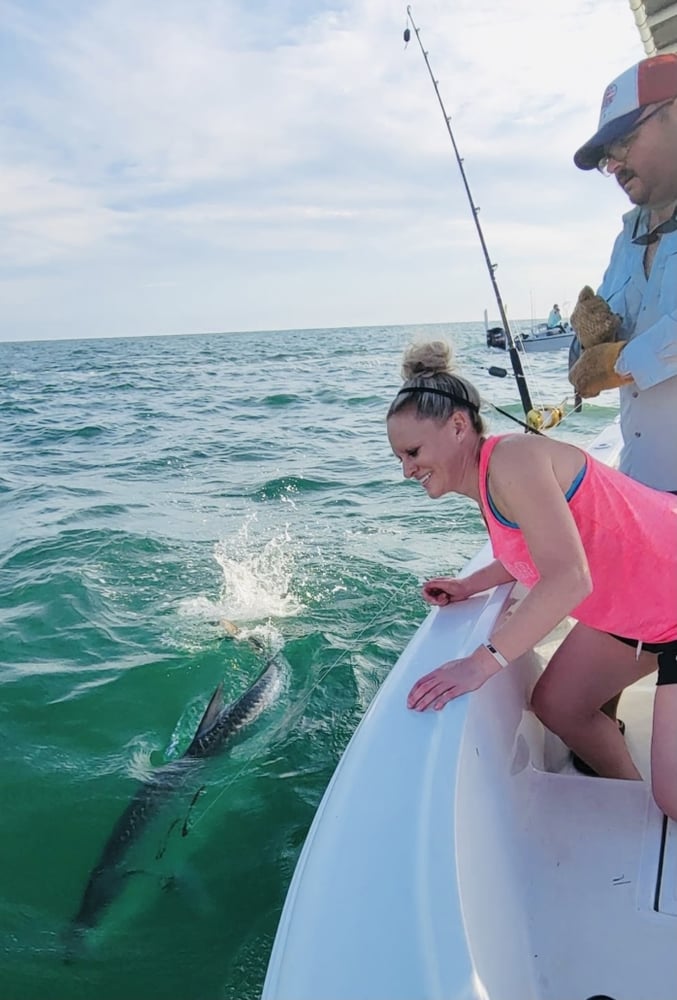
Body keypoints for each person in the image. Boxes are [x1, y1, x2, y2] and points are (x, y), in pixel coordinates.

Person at [386, 340, 677, 820]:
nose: (406, 469)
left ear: (459, 426)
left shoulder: (513, 460)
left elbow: (568, 580)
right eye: (399, 457)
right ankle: (635, 807)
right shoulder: (486, 481)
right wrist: (472, 583)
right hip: (641, 616)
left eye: (412, 451)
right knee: (559, 705)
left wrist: (480, 664)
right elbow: (538, 550)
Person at [568, 52, 677, 755]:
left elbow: (639, 353)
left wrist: (614, 364)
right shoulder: (626, 235)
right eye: (603, 152)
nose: (611, 161)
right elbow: (599, 336)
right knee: (572, 704)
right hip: (649, 504)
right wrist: (586, 356)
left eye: (623, 140)